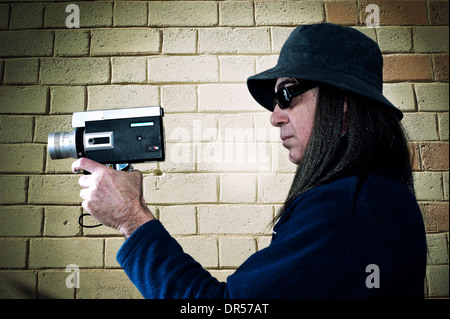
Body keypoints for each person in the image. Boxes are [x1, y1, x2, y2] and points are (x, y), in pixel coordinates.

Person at [72, 23, 427, 298]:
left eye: (286, 95)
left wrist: (132, 219)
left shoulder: (345, 209)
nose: (274, 117)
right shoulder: (370, 198)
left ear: (344, 108)